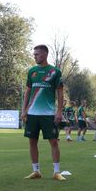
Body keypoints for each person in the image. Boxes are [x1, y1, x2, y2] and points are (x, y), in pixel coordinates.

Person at [21, 45, 66, 181]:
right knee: (32, 142)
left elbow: (60, 92)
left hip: (48, 114)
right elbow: (28, 91)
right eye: (34, 54)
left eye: (37, 54)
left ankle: (56, 172)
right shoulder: (32, 71)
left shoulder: (55, 71)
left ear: (45, 55)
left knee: (54, 142)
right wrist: (24, 111)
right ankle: (36, 171)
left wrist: (59, 112)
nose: (34, 56)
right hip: (32, 114)